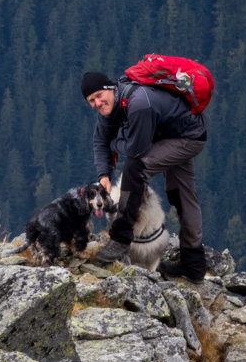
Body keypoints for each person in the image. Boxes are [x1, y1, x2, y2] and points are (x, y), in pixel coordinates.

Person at [80, 69, 208, 282]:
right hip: (172, 134)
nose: (97, 103)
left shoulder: (139, 103)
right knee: (181, 195)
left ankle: (120, 239)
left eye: (98, 96)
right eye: (90, 100)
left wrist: (114, 143)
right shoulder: (112, 106)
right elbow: (100, 140)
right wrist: (104, 174)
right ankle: (193, 266)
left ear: (110, 88)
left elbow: (136, 150)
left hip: (189, 136)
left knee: (135, 168)